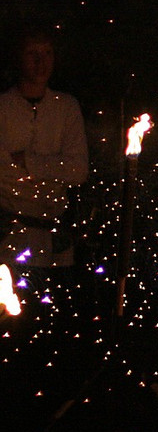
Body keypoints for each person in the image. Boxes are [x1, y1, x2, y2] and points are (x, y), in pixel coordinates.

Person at [0, 30, 89, 267]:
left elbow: (78, 171)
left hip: (54, 237)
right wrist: (54, 171)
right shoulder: (4, 108)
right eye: (33, 54)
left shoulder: (66, 107)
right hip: (9, 237)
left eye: (47, 53)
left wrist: (29, 163)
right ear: (18, 57)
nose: (41, 63)